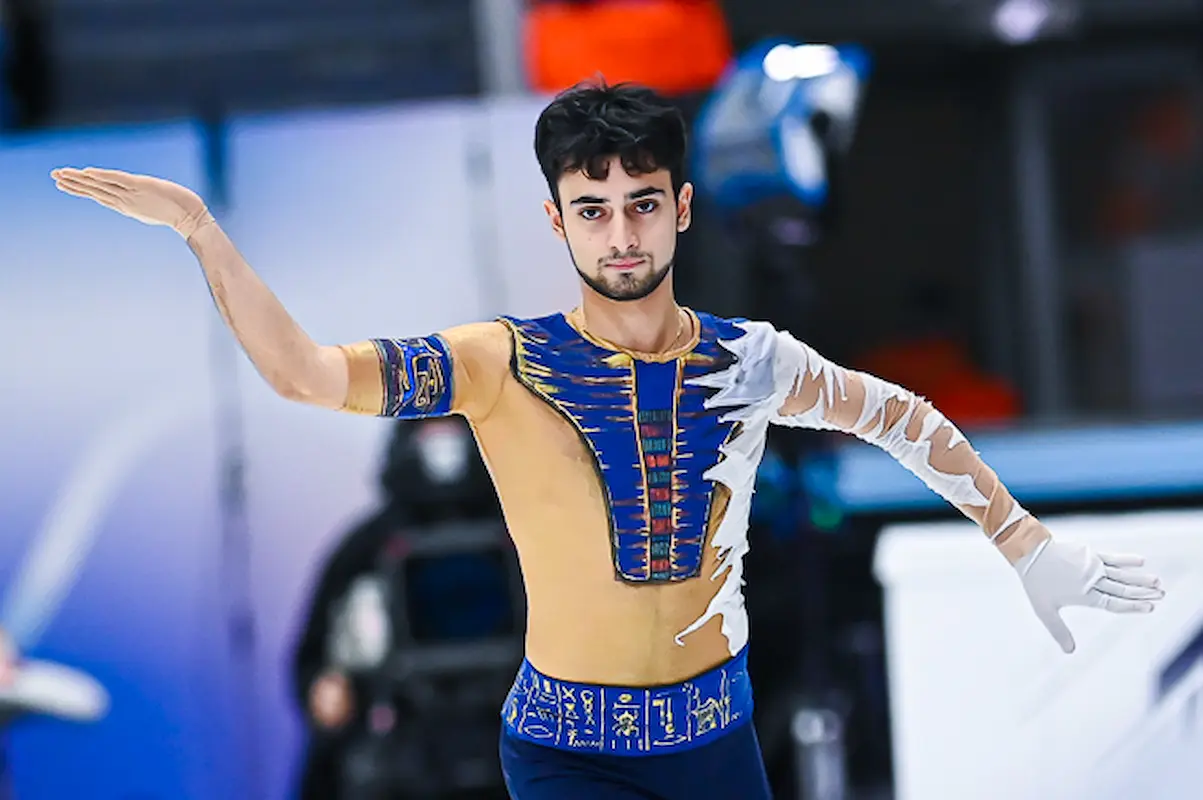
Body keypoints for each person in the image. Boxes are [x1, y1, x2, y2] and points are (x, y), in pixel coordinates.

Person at [51, 80, 1166, 800]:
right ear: (557, 219)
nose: (619, 229)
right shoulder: (496, 359)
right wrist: (203, 233)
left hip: (715, 735)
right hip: (564, 747)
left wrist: (1023, 541)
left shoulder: (753, 358)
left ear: (680, 207)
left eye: (641, 202)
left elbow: (903, 417)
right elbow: (303, 373)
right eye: (594, 206)